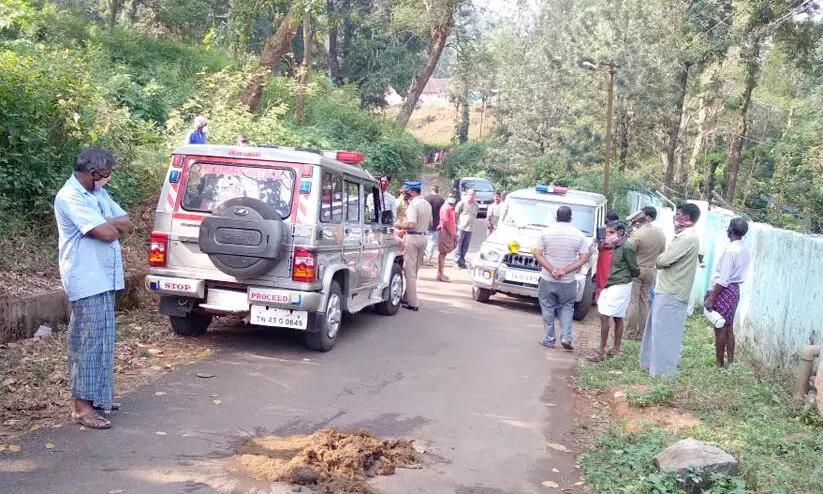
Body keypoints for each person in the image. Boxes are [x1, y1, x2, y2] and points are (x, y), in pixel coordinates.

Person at [54, 147, 133, 430]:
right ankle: (82, 408)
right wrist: (107, 224)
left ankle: (99, 398)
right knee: (85, 343)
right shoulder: (71, 196)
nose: (107, 180)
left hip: (105, 278)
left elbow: (126, 222)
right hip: (86, 278)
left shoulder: (97, 194)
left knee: (102, 341)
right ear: (93, 173)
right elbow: (107, 232)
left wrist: (106, 223)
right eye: (106, 175)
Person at [639, 203, 701, 377]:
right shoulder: (684, 236)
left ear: (686, 218)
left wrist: (658, 258)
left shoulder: (686, 238)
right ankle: (651, 366)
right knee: (656, 329)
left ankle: (662, 373)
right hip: (667, 289)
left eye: (678, 214)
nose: (675, 218)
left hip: (672, 291)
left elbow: (664, 260)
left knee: (665, 333)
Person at [532, 206, 591, 350]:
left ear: (556, 217)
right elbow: (584, 258)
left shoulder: (545, 233)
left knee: (547, 308)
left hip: (547, 278)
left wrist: (552, 269)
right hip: (568, 280)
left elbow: (538, 254)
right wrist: (565, 271)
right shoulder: (579, 236)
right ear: (571, 218)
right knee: (567, 307)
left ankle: (549, 339)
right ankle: (566, 337)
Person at [705, 218, 751, 369]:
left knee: (720, 328)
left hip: (724, 290)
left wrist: (712, 297)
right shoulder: (744, 249)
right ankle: (730, 363)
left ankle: (719, 364)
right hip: (735, 290)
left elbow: (723, 279)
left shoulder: (731, 250)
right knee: (729, 327)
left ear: (730, 230)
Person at [591, 222, 639, 361]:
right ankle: (613, 349)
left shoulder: (627, 247)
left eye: (611, 233)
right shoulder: (616, 246)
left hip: (620, 284)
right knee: (613, 316)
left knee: (606, 315)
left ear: (621, 232)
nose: (608, 236)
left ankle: (603, 350)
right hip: (611, 283)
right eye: (607, 233)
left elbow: (634, 268)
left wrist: (625, 277)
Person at [625, 206, 667, 339]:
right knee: (644, 300)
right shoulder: (661, 234)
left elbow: (629, 250)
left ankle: (630, 332)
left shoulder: (638, 234)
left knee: (633, 301)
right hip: (651, 269)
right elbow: (662, 251)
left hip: (637, 269)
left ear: (639, 221)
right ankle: (642, 333)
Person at [394, 182, 432, 311]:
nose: (406, 194)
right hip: (423, 237)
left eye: (408, 192)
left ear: (413, 192)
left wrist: (398, 225)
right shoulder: (427, 204)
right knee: (414, 270)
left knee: (409, 272)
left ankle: (413, 303)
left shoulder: (413, 205)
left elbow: (410, 224)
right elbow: (431, 222)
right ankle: (406, 297)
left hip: (412, 237)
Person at [594, 211, 620, 302]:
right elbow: (601, 246)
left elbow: (602, 246)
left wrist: (604, 244)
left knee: (604, 275)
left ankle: (603, 297)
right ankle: (601, 296)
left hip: (608, 255)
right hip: (608, 255)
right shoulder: (605, 230)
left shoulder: (613, 231)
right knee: (603, 275)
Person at [453, 187, 478, 269]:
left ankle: (462, 262)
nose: (471, 196)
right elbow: (456, 213)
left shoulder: (476, 205)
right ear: (467, 195)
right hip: (461, 227)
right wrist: (456, 223)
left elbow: (475, 215)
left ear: (475, 196)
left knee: (465, 246)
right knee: (458, 245)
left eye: (473, 195)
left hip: (470, 228)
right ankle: (456, 262)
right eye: (470, 194)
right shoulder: (462, 203)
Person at [436, 190, 458, 282]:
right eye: (450, 196)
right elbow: (446, 222)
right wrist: (452, 234)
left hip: (448, 233)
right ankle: (440, 274)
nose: (452, 197)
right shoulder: (446, 208)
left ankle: (440, 273)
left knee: (443, 254)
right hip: (445, 233)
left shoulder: (450, 207)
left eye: (453, 196)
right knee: (443, 253)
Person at [424, 185, 445, 265]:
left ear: (431, 190)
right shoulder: (441, 200)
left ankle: (425, 256)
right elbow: (442, 213)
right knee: (432, 241)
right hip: (436, 223)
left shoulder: (426, 199)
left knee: (425, 239)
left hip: (425, 222)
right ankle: (429, 258)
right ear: (437, 190)